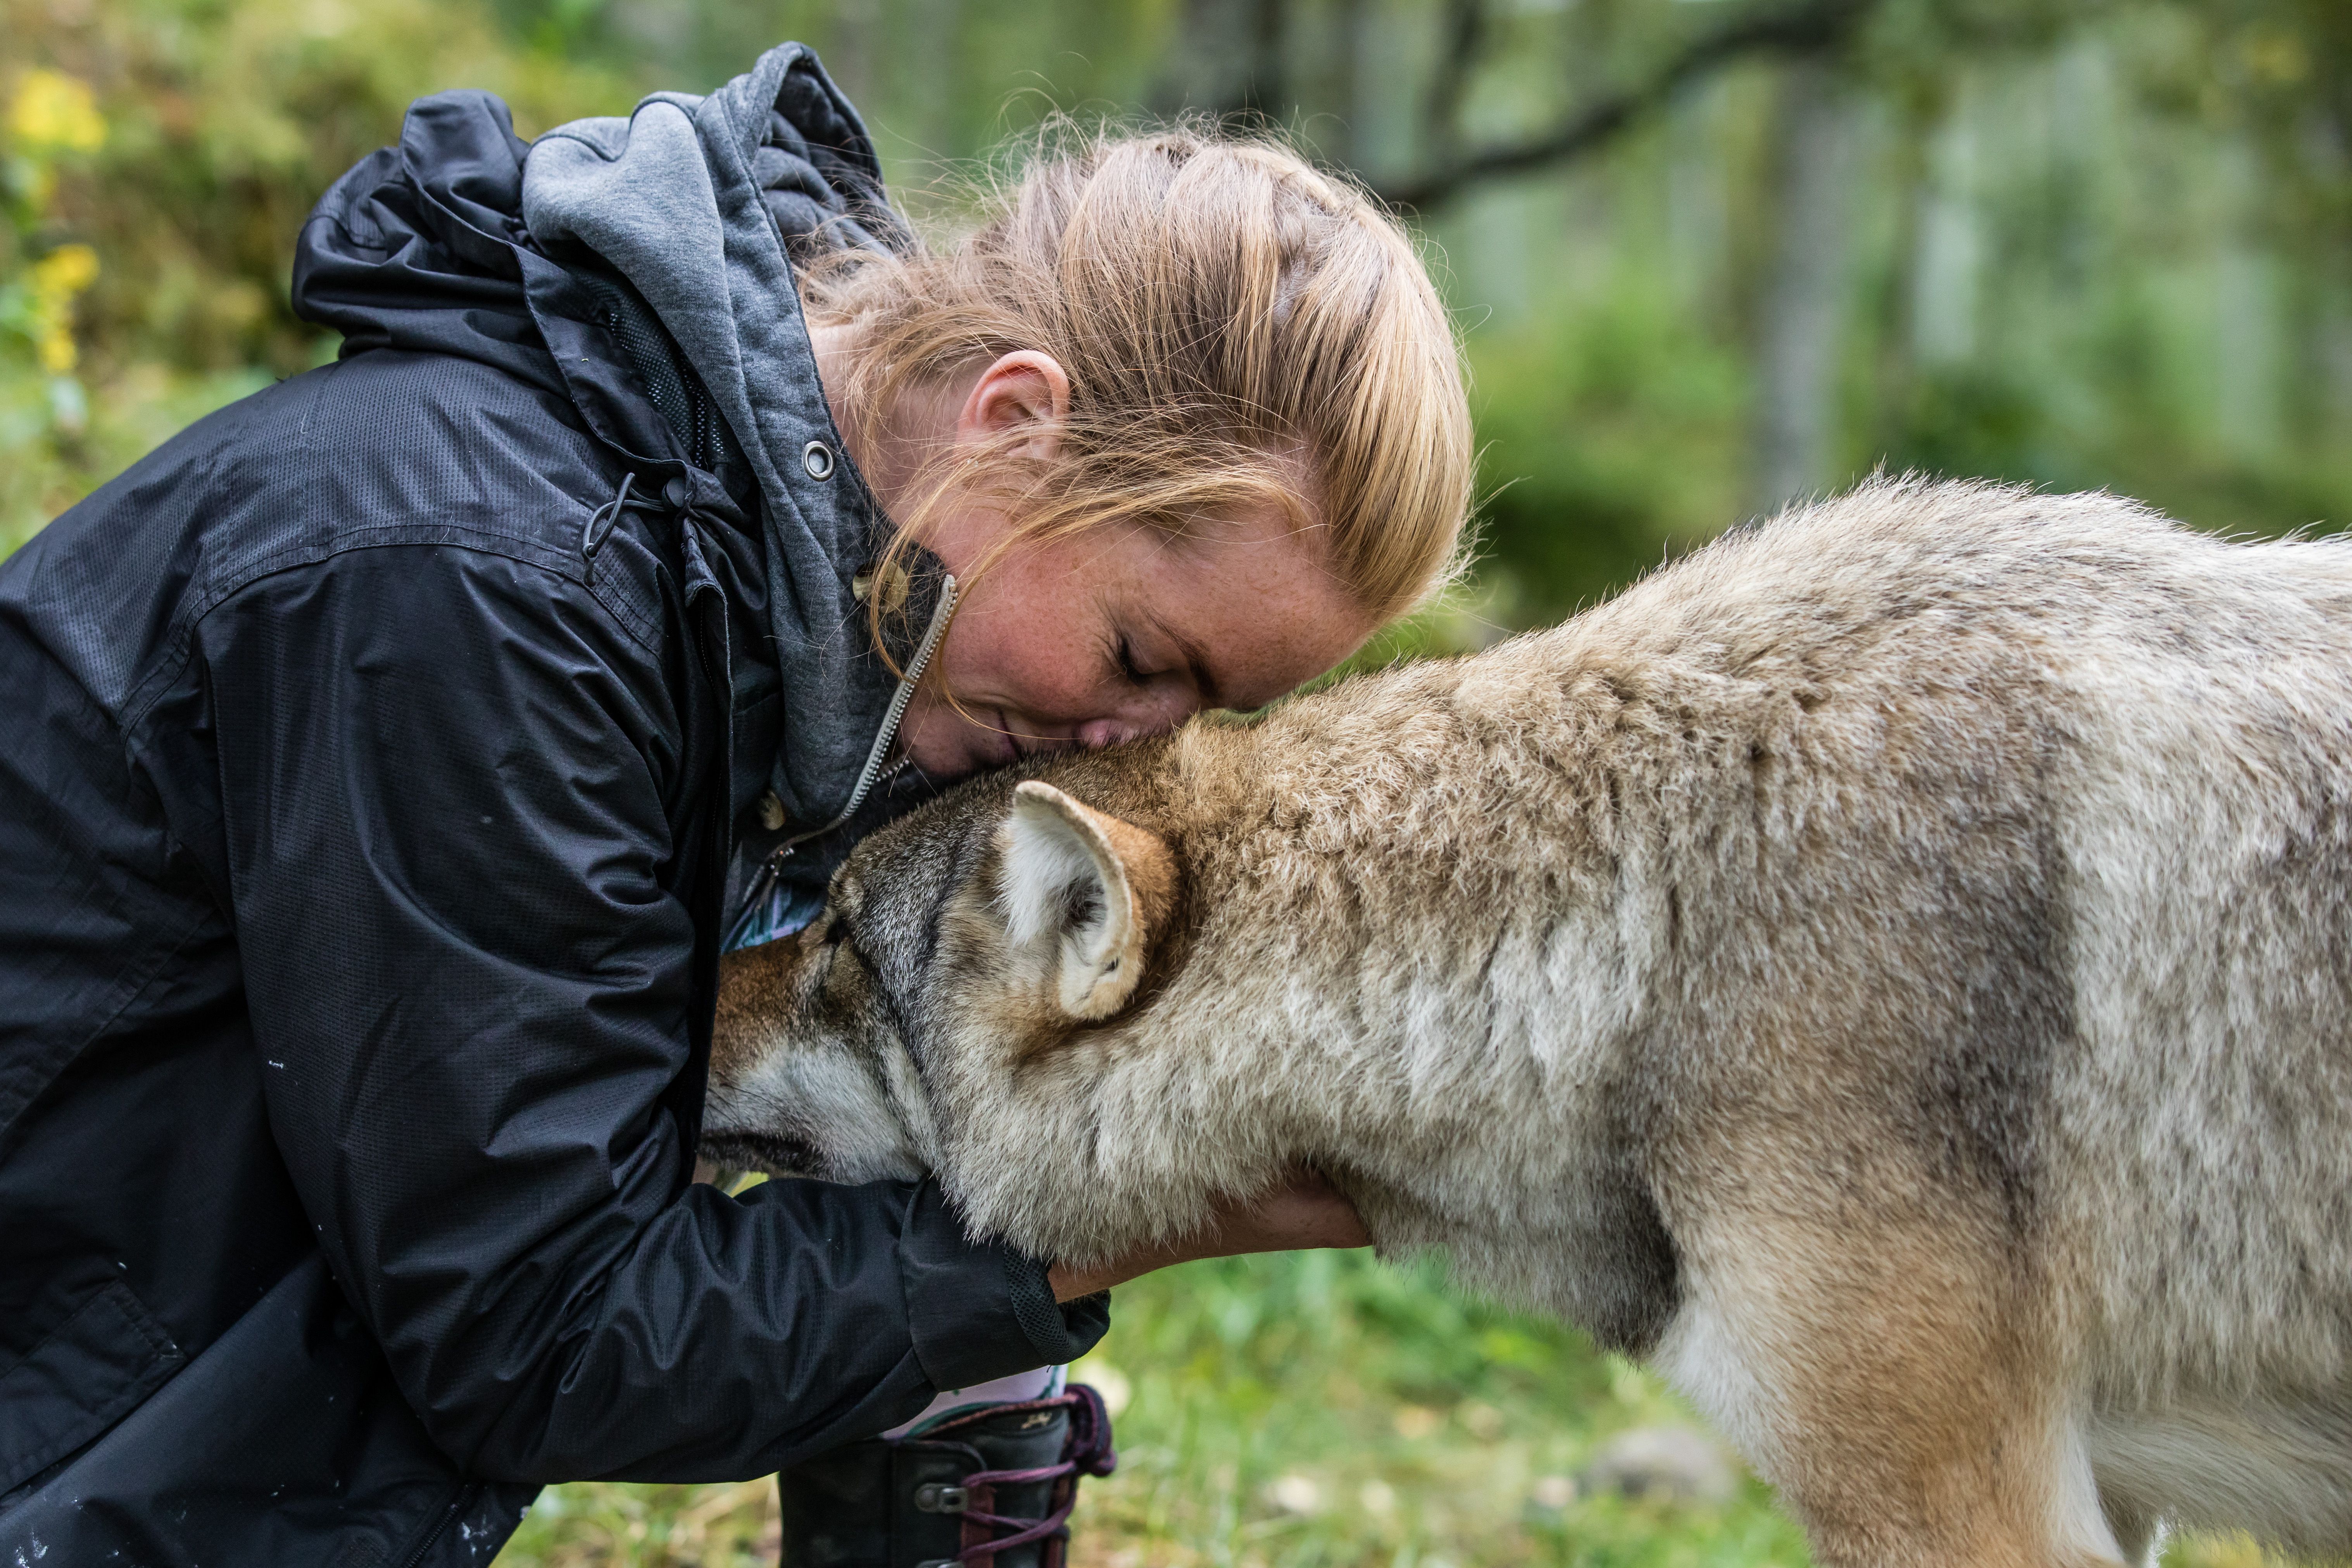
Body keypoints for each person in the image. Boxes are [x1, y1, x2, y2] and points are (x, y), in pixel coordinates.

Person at [0, 40, 1471, 1568]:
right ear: (1014, 426)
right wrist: (1154, 1207)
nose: (1125, 746)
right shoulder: (492, 586)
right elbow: (538, 1327)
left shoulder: (814, 610)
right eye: (1141, 657)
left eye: (1200, 714)